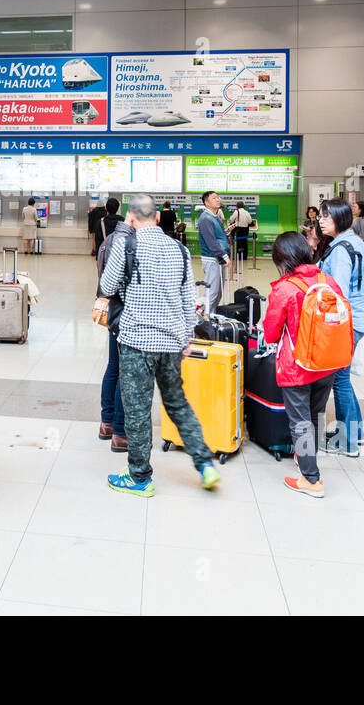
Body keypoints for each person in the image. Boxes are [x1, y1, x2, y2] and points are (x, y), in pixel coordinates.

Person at [99, 193, 220, 497]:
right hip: (171, 343)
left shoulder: (126, 245)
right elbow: (186, 300)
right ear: (156, 217)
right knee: (177, 403)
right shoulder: (179, 249)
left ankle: (140, 477)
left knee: (137, 410)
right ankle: (205, 463)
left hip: (136, 341)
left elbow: (107, 286)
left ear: (130, 218)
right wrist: (186, 339)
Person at [262, 231, 349, 498]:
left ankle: (311, 479)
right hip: (327, 361)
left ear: (282, 260)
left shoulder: (285, 288)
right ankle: (305, 457)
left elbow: (271, 332)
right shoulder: (328, 281)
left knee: (299, 420)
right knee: (314, 414)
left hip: (297, 365)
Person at [316, 197, 364, 457]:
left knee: (339, 379)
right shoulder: (354, 242)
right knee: (343, 377)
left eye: (326, 216)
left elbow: (335, 294)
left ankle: (346, 441)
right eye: (320, 216)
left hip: (346, 323)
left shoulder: (340, 250)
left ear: (339, 218)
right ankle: (356, 432)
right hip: (358, 319)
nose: (320, 220)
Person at [96, 208, 133, 452]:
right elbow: (115, 282)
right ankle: (119, 431)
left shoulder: (109, 239)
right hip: (124, 312)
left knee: (113, 367)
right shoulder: (126, 243)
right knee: (124, 371)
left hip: (112, 312)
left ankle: (106, 422)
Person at [197, 190, 230, 316]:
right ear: (206, 203)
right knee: (212, 291)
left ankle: (211, 315)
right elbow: (211, 242)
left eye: (218, 197)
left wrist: (226, 232)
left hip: (218, 259)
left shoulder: (214, 217)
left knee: (218, 292)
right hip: (212, 259)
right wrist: (225, 256)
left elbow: (216, 237)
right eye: (214, 198)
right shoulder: (205, 218)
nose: (217, 200)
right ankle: (204, 319)